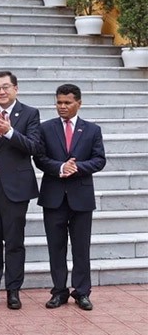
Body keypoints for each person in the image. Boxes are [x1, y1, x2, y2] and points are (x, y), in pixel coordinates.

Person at [0, 71, 41, 310]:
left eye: (5, 87)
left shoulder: (30, 113)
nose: (1, 92)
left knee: (14, 241)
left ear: (15, 89)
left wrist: (10, 132)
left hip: (16, 187)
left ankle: (13, 290)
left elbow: (33, 146)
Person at [35, 84, 106, 311]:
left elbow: (99, 160)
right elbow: (40, 158)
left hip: (81, 197)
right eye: (59, 102)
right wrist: (60, 167)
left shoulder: (92, 130)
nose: (62, 107)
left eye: (67, 103)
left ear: (79, 103)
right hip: (53, 196)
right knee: (56, 247)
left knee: (80, 248)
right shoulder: (45, 128)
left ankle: (82, 292)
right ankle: (59, 292)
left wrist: (78, 168)